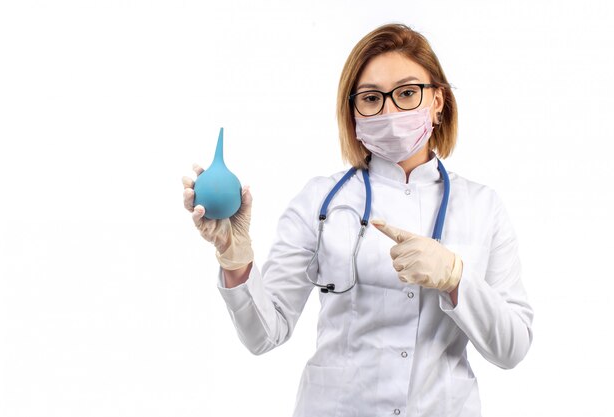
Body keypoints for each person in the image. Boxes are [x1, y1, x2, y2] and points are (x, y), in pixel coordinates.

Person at [181, 23, 533, 417]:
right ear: (353, 112)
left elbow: (512, 348)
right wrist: (235, 258)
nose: (389, 110)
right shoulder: (319, 201)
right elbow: (265, 334)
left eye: (406, 93)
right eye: (371, 98)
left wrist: (455, 277)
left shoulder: (483, 206)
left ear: (438, 100)